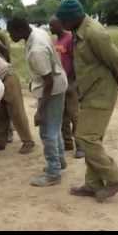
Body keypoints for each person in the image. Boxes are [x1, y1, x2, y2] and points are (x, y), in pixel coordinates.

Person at [56, 0, 118, 202]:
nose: (61, 26)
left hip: (101, 92)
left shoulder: (94, 33)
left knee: (85, 137)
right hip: (88, 91)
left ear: (72, 19)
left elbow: (116, 60)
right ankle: (93, 185)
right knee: (92, 138)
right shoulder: (78, 32)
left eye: (63, 21)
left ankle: (115, 178)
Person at [7, 16, 68, 187]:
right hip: (57, 84)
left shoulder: (36, 49)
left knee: (47, 131)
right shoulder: (37, 32)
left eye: (11, 32)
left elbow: (48, 81)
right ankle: (60, 162)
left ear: (20, 30)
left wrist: (40, 110)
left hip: (53, 88)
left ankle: (53, 173)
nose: (10, 36)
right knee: (55, 127)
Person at [49, 16, 85, 159]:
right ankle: (67, 142)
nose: (50, 28)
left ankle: (81, 146)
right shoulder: (56, 41)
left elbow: (77, 60)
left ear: (61, 25)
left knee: (74, 114)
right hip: (60, 82)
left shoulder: (70, 39)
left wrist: (75, 81)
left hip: (71, 81)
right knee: (62, 114)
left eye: (52, 26)